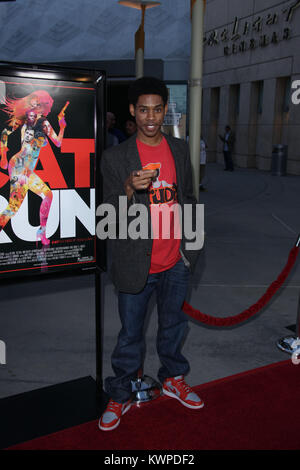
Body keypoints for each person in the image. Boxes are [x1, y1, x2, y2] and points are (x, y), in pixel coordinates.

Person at [99, 76, 204, 432]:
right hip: (136, 264)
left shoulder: (178, 150)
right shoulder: (115, 157)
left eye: (157, 109)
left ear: (164, 110)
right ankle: (122, 391)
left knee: (174, 327)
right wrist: (127, 189)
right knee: (130, 336)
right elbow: (106, 216)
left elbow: (189, 197)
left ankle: (173, 378)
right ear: (132, 111)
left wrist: (192, 248)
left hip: (176, 262)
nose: (150, 117)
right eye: (143, 109)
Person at [0, 90, 67, 245]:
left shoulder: (35, 120)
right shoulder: (41, 122)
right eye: (49, 105)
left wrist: (62, 126)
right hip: (21, 167)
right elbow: (56, 142)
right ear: (40, 104)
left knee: (13, 208)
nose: (50, 108)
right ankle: (41, 232)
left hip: (20, 166)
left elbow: (5, 133)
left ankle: (41, 232)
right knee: (47, 196)